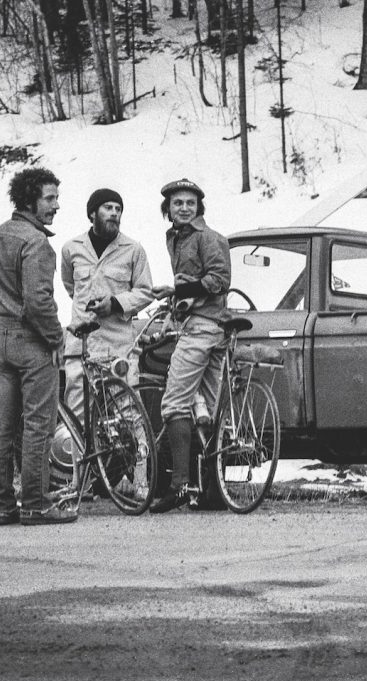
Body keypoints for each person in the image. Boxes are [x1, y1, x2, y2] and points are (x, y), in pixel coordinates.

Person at [0, 167, 76, 526]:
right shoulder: (37, 243)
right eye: (49, 199)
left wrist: (2, 322)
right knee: (38, 425)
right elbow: (39, 302)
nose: (55, 206)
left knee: (3, 426)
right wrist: (56, 339)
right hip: (33, 343)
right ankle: (35, 504)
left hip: (2, 341)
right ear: (30, 200)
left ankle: (3, 507)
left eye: (56, 198)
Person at [150, 178, 232, 513]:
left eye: (190, 202)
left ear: (200, 207)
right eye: (177, 202)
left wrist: (176, 292)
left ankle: (179, 485)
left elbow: (218, 280)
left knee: (173, 405)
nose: (184, 207)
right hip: (203, 327)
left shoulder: (207, 237)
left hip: (202, 329)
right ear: (167, 208)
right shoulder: (177, 237)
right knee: (205, 411)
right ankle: (212, 491)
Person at [61, 187, 154, 413]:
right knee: (79, 418)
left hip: (118, 347)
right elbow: (71, 288)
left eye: (118, 209)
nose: (114, 213)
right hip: (81, 347)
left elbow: (145, 292)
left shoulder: (133, 249)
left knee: (129, 413)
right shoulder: (72, 249)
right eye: (108, 208)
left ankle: (140, 450)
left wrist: (114, 304)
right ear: (92, 213)